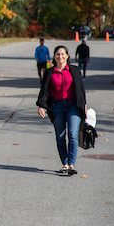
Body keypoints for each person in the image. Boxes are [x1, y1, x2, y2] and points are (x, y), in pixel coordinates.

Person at [36, 45, 86, 175]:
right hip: (56, 106)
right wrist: (41, 105)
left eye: (63, 54)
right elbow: (44, 91)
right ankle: (65, 164)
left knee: (73, 134)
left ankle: (71, 164)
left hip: (73, 106)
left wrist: (84, 106)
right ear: (54, 56)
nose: (60, 56)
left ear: (67, 56)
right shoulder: (49, 72)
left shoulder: (74, 70)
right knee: (60, 136)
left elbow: (81, 90)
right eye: (58, 54)